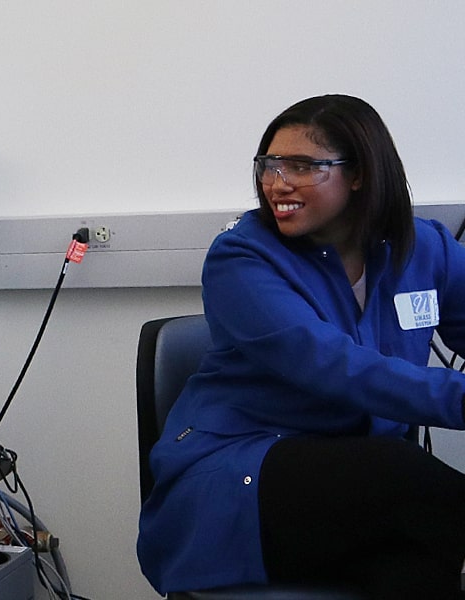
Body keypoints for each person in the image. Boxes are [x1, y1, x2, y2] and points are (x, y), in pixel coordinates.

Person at [138, 94, 465, 598]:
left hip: (364, 487)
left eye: (302, 166)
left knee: (420, 561)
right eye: (269, 165)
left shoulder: (424, 248)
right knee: (412, 482)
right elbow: (336, 367)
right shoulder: (241, 259)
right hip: (237, 477)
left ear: (359, 174)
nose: (277, 183)